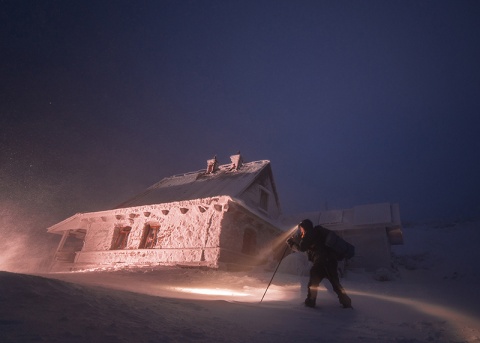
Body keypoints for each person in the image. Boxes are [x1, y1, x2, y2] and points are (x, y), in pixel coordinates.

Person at [287, 219, 352, 309]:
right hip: (330, 261)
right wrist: (297, 240)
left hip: (322, 261)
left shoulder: (309, 233)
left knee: (314, 281)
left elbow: (302, 248)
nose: (300, 230)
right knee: (335, 283)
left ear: (305, 227)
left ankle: (311, 301)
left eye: (301, 228)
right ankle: (346, 302)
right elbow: (307, 245)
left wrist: (292, 243)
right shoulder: (316, 233)